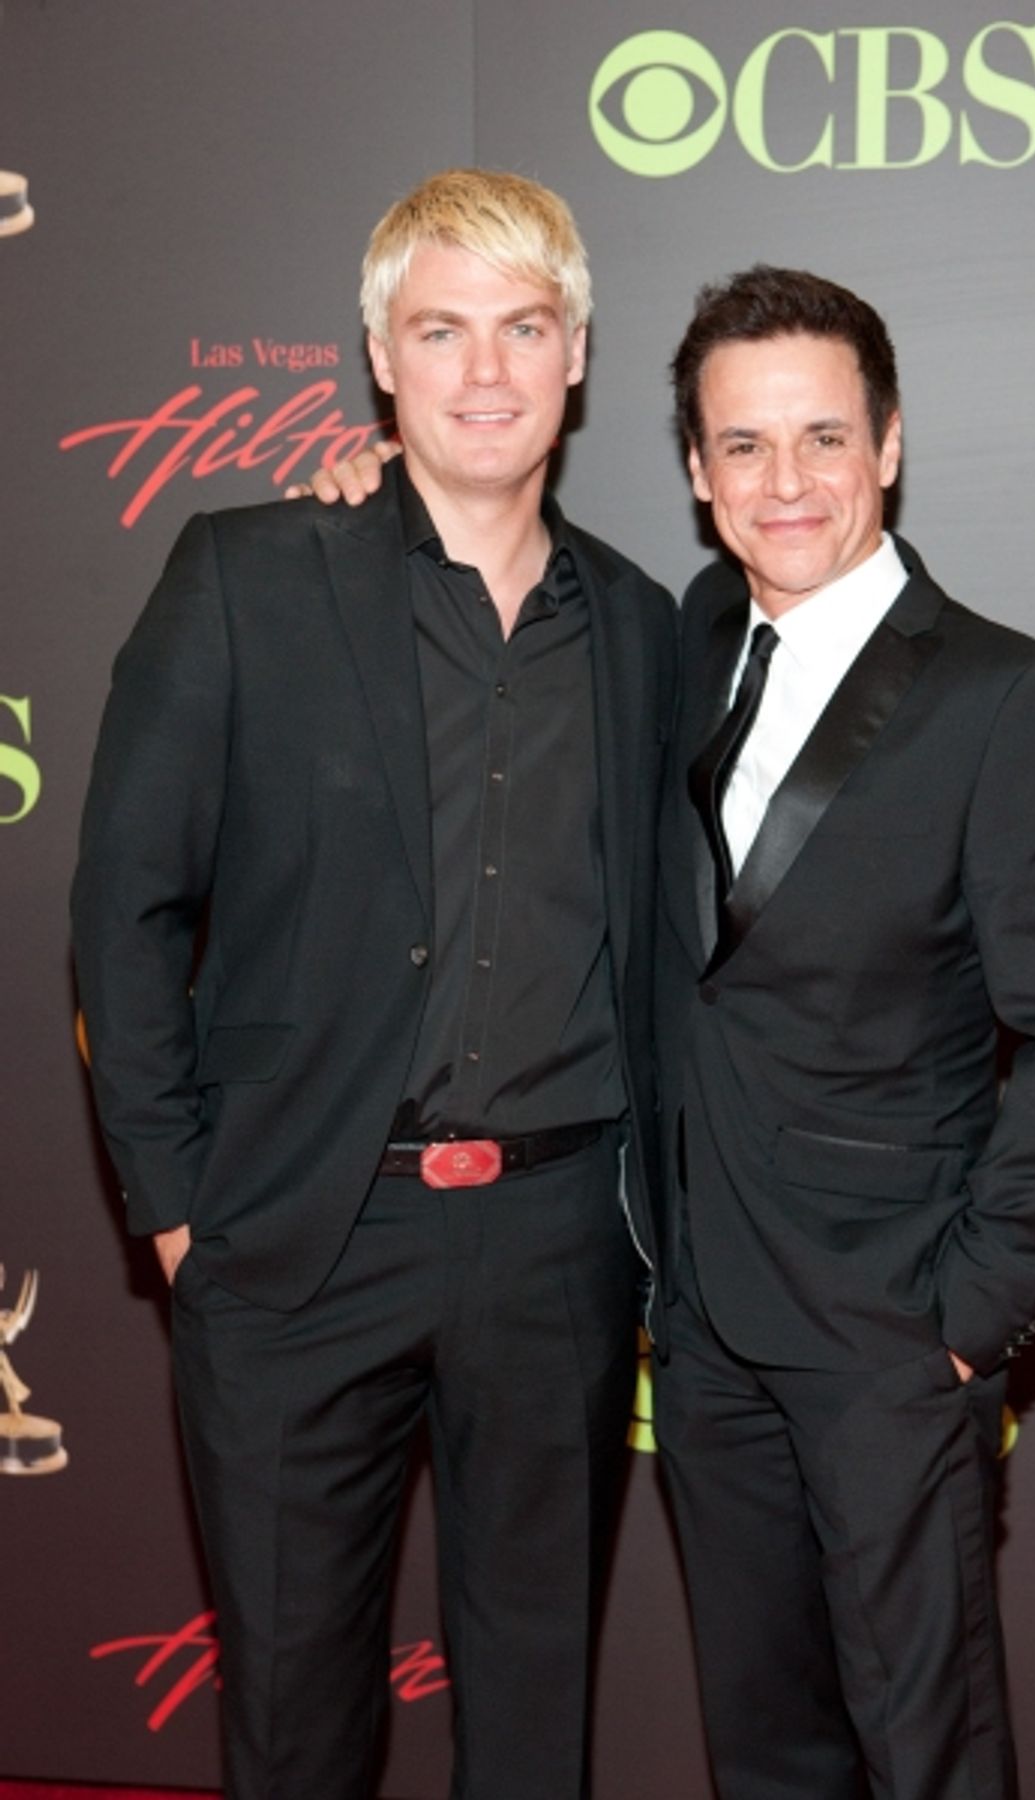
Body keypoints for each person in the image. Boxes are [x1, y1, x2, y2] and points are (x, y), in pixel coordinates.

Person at [72, 168, 677, 1800]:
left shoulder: (648, 632)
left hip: (559, 1244)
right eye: (443, 329)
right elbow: (125, 909)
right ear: (381, 358)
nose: (486, 371)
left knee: (536, 1713)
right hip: (293, 1236)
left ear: (576, 356)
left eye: (524, 327)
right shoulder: (247, 575)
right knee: (291, 1713)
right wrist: (181, 1207)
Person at [649, 266, 1035, 1799]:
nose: (784, 481)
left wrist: (966, 1313)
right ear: (694, 470)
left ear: (888, 446)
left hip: (889, 1335)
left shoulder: (1014, 698)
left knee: (925, 1750)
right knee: (767, 1744)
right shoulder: (683, 649)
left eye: (821, 437)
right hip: (705, 1327)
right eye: (743, 446)